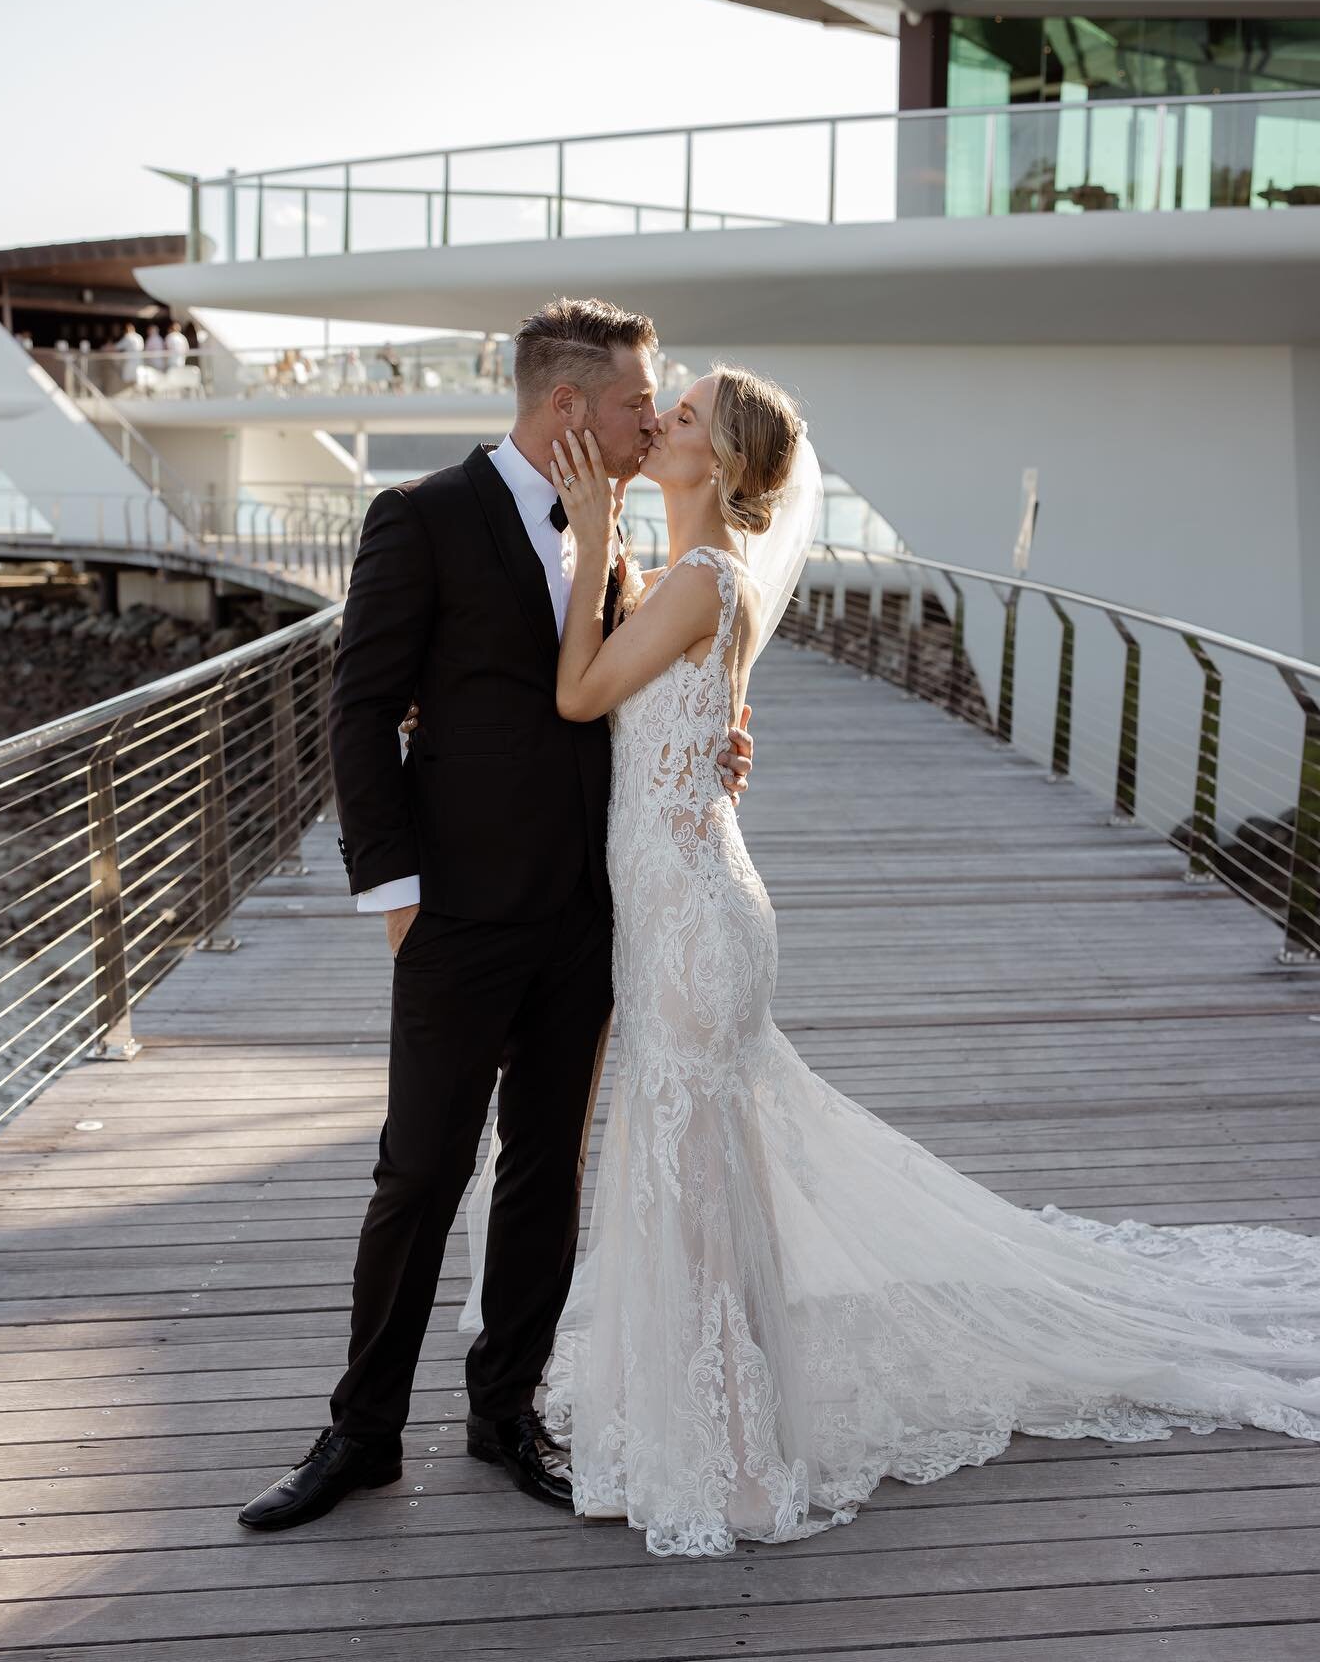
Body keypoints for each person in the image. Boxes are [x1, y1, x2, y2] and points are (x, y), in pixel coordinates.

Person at [458, 365, 1320, 1560]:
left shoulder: (702, 579)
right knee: (707, 1180)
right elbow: (685, 733)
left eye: (689, 417)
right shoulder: (689, 581)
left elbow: (577, 691)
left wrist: (598, 526)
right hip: (686, 907)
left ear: (725, 466)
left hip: (694, 924)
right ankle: (722, 1413)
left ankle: (735, 1454)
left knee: (692, 1183)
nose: (663, 422)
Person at [236, 297, 756, 1533]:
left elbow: (628, 689)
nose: (652, 415)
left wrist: (716, 742)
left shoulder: (614, 530)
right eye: (639, 399)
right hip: (457, 918)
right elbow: (359, 715)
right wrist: (397, 897)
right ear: (568, 404)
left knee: (544, 1171)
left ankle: (505, 1408)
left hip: (591, 913)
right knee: (418, 1172)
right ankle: (360, 1434)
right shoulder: (420, 518)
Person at [114, 321, 143, 388]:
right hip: (138, 360)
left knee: (130, 378)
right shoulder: (139, 337)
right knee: (136, 378)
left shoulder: (128, 337)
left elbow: (117, 347)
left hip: (131, 361)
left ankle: (133, 393)